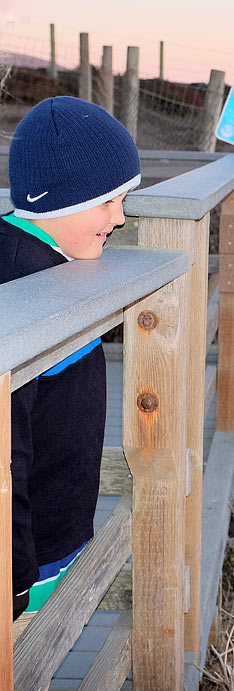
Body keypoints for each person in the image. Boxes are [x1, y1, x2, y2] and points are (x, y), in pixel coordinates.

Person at [1, 96, 141, 625]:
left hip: (46, 545)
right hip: (24, 570)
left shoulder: (43, 261)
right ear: (52, 199)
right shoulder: (18, 297)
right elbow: (4, 452)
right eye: (106, 202)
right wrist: (13, 583)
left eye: (122, 200)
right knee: (23, 689)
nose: (121, 219)